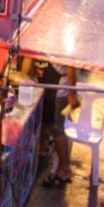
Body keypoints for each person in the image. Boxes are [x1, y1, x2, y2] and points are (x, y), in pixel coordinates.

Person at [20, 60, 77, 188]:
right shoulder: (36, 41)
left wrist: (72, 94)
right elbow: (28, 62)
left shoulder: (63, 42)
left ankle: (64, 168)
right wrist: (23, 79)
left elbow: (71, 67)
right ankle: (42, 150)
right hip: (42, 85)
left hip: (58, 91)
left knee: (56, 128)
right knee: (44, 120)